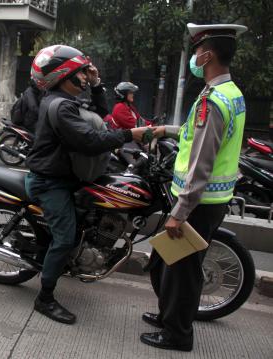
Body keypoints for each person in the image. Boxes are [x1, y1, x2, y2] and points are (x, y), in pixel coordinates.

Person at [25, 45, 151, 324]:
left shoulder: (65, 101)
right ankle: (44, 298)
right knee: (66, 237)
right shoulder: (60, 106)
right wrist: (130, 134)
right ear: (65, 75)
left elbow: (101, 115)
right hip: (50, 182)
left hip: (66, 177)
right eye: (81, 73)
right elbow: (90, 140)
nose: (85, 77)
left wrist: (96, 84)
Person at [141, 23, 248, 352]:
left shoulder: (213, 101)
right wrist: (163, 130)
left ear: (208, 54)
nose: (194, 56)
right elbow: (193, 133)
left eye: (197, 50)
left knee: (182, 271)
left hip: (197, 204)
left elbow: (202, 162)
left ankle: (177, 334)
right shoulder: (230, 94)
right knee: (163, 262)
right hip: (208, 201)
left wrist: (180, 212)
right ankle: (168, 315)